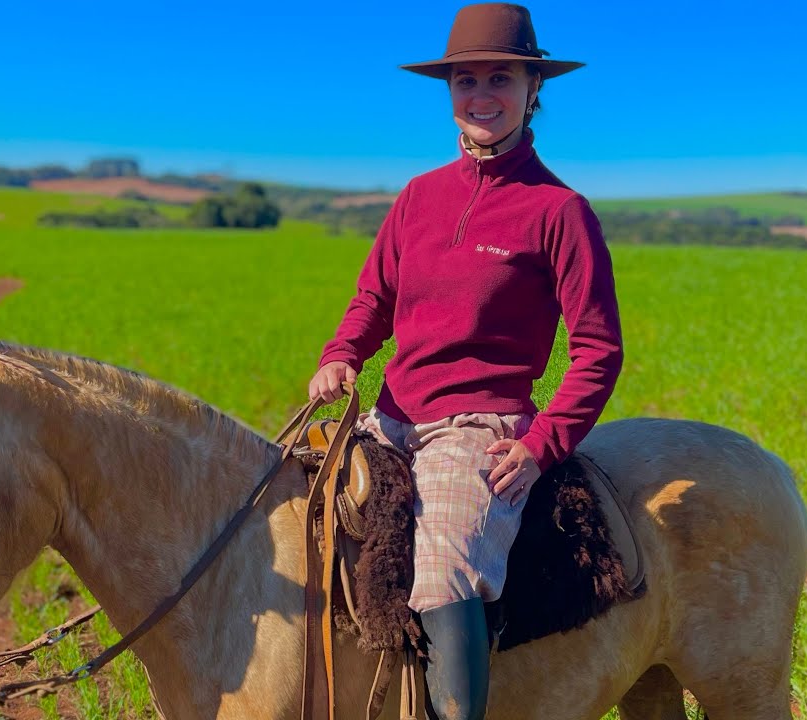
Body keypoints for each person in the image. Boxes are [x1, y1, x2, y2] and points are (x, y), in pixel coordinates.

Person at [309, 3, 623, 719]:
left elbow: (599, 350)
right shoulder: (418, 196)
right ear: (449, 91)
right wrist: (342, 354)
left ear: (533, 87)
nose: (481, 95)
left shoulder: (560, 211)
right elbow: (373, 299)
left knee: (443, 575)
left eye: (500, 78)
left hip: (477, 427)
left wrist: (543, 445)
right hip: (389, 417)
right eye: (466, 80)